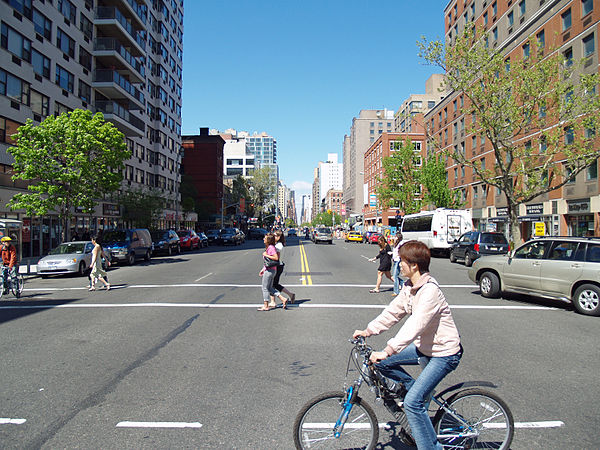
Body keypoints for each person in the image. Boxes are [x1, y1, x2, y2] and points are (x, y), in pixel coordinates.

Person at [353, 240, 462, 450]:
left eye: (402, 261)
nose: (399, 264)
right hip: (425, 348)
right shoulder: (410, 287)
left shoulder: (429, 292)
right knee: (382, 365)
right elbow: (393, 312)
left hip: (444, 353)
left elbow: (415, 325)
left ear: (414, 265)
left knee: (412, 403)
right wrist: (368, 330)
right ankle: (418, 393)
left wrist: (387, 350)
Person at [269, 230, 295, 308]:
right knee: (274, 284)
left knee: (272, 284)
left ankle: (274, 301)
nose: (274, 237)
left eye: (275, 236)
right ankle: (290, 295)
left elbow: (276, 256)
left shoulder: (279, 245)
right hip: (277, 265)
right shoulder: (277, 244)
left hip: (278, 266)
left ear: (279, 237)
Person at [258, 233, 279, 311]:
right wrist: (263, 269)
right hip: (270, 269)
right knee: (269, 288)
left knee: (265, 288)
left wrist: (266, 255)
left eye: (265, 238)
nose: (263, 239)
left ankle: (266, 305)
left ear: (268, 240)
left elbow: (276, 258)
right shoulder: (270, 247)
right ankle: (283, 298)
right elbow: (267, 261)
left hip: (270, 270)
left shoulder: (271, 247)